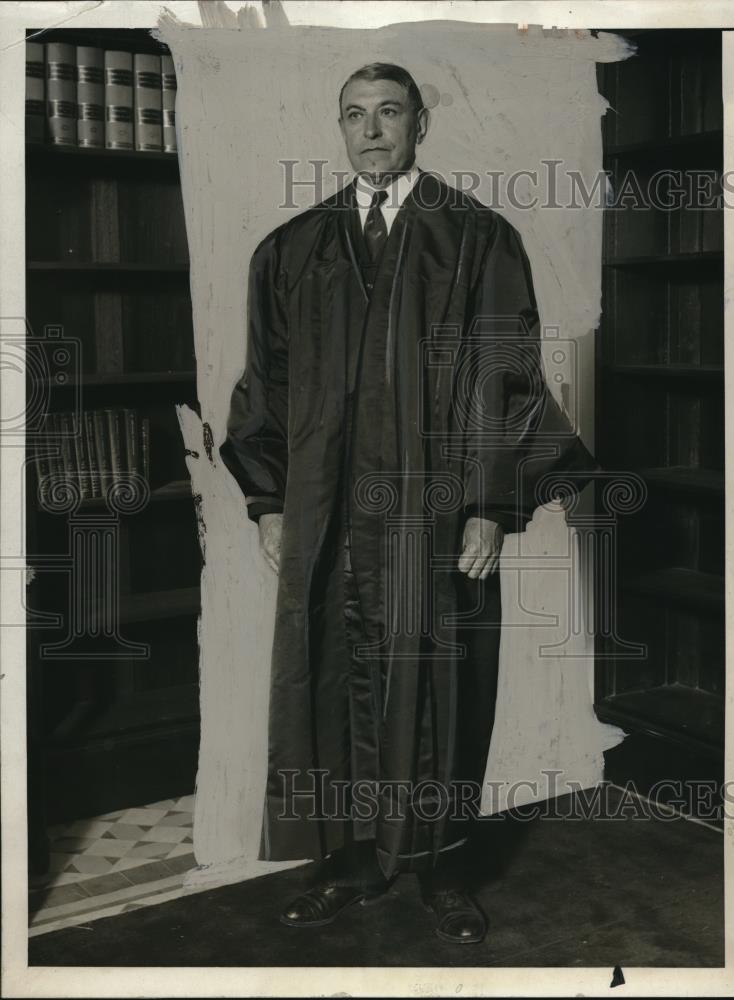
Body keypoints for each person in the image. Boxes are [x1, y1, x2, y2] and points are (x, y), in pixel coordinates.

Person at [220, 62, 599, 944]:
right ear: (339, 128)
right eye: (354, 115)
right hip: (324, 518)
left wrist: (489, 506)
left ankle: (442, 869)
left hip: (434, 514)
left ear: (421, 122)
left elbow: (505, 376)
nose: (372, 129)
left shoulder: (475, 239)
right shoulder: (288, 250)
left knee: (441, 681)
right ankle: (347, 864)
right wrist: (269, 500)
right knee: (327, 677)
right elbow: (265, 386)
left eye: (389, 112)